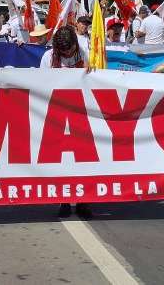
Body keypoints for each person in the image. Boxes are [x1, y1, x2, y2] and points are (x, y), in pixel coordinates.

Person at [38, 26, 92, 219]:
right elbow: (43, 84)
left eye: (70, 50)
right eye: (64, 51)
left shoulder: (83, 53)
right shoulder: (48, 58)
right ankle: (64, 200)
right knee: (63, 163)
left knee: (83, 162)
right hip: (57, 115)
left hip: (80, 114)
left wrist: (90, 72)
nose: (68, 53)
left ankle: (84, 200)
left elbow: (92, 81)